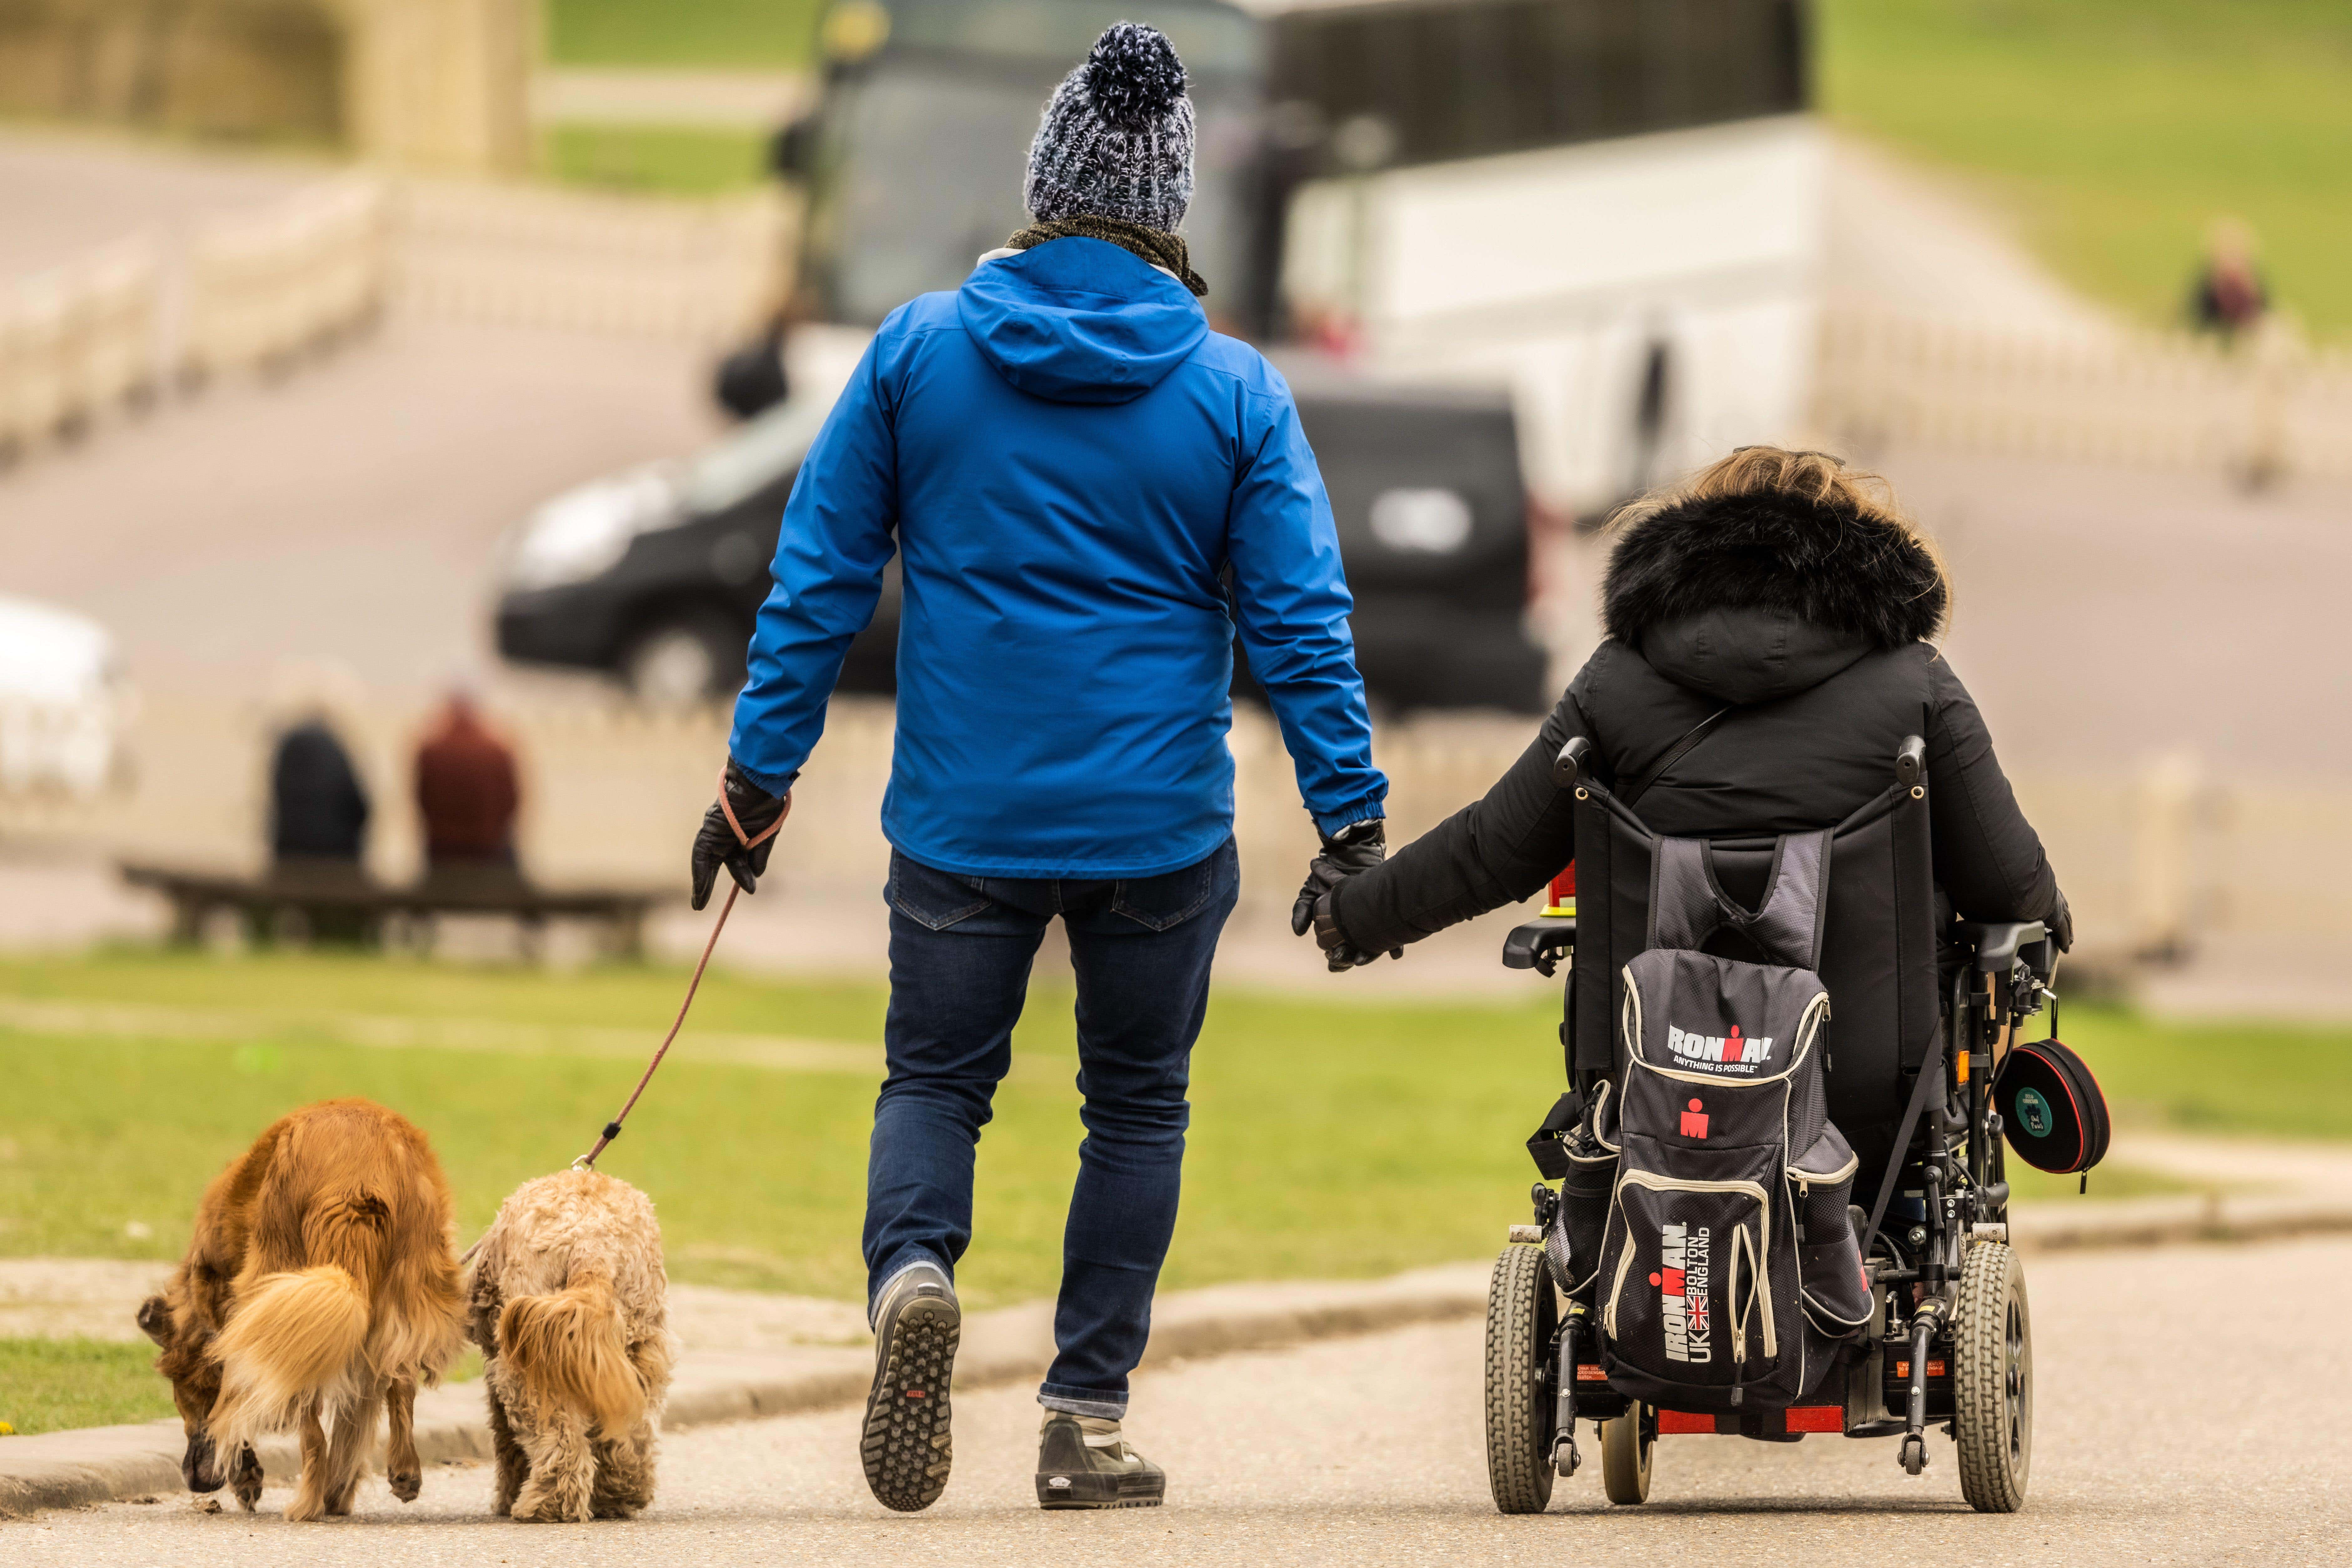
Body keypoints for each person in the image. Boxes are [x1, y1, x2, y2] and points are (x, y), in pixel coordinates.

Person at [685, 23, 1389, 1515]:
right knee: (1135, 1108)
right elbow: (1302, 623)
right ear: (1173, 209)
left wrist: (755, 787)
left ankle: (915, 1280)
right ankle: (1083, 1415)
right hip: (1157, 827)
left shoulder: (917, 357)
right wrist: (1352, 819)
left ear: (1041, 184)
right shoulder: (1237, 393)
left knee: (935, 1081)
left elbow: (814, 583)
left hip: (964, 818)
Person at [1300, 445, 2072, 972]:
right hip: (1868, 1091)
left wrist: (1357, 915)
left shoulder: (1616, 682)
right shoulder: (1916, 686)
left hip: (1654, 1080)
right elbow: (2005, 883)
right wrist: (2049, 903)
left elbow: (1489, 853)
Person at [414, 689, 521, 870]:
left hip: (442, 852)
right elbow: (512, 802)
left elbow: (423, 801)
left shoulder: (431, 751)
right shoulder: (497, 751)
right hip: (489, 851)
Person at [268, 716, 368, 866]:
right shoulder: (335, 752)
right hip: (337, 851)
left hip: (291, 851)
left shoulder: (288, 751)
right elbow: (360, 806)